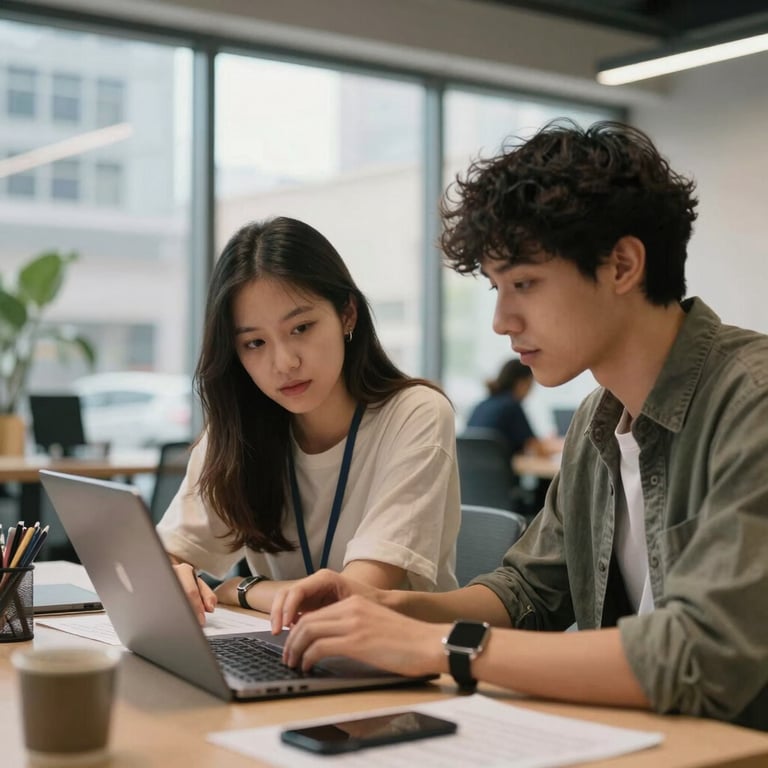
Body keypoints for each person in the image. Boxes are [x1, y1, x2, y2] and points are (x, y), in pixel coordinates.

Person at [270, 121, 768, 731]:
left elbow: (703, 658)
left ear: (622, 264)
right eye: (496, 289)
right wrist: (390, 609)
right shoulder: (598, 420)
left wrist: (438, 650)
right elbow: (528, 592)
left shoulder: (753, 401)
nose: (502, 321)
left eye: (524, 284)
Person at [157, 216, 460, 624]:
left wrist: (239, 588)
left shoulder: (415, 415)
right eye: (255, 343)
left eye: (301, 327)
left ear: (347, 314)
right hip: (284, 648)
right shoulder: (241, 428)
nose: (284, 362)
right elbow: (161, 559)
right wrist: (173, 574)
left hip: (397, 663)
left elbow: (351, 599)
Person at [466, 358, 563, 458]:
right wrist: (560, 444)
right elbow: (536, 448)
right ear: (522, 383)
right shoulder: (511, 406)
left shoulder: (481, 405)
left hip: (474, 472)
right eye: (530, 384)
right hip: (502, 472)